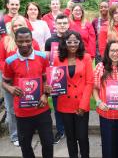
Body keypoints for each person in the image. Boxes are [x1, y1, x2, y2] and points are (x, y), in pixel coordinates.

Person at [2, 27, 53, 158]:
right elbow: (4, 82)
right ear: (15, 41)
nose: (24, 44)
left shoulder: (42, 57)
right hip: (22, 112)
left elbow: (47, 80)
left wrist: (45, 95)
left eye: (27, 40)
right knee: (25, 145)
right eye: (20, 41)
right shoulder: (10, 61)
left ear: (32, 40)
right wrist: (10, 89)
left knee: (48, 143)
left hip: (42, 109)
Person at [0, 15, 40, 147]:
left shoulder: (32, 41)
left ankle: (29, 130)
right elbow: (1, 60)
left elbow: (39, 59)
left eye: (20, 25)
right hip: (10, 79)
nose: (17, 28)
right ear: (11, 28)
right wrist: (9, 68)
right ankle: (15, 135)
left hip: (29, 79)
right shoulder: (5, 40)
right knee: (11, 108)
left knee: (29, 103)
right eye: (15, 26)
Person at [54, 30, 93, 158]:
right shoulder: (57, 59)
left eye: (75, 41)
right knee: (70, 138)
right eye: (69, 41)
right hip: (65, 104)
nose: (72, 44)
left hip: (81, 104)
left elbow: (89, 83)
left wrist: (83, 105)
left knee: (82, 137)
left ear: (79, 43)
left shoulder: (86, 57)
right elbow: (55, 81)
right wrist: (51, 87)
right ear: (64, 43)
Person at [45, 14, 70, 144]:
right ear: (55, 24)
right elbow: (47, 60)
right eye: (59, 23)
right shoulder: (50, 41)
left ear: (68, 24)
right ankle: (61, 131)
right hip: (56, 79)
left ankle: (72, 131)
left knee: (72, 105)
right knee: (58, 106)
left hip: (71, 77)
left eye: (64, 23)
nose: (62, 25)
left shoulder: (72, 38)